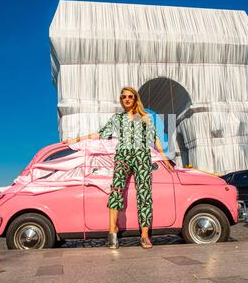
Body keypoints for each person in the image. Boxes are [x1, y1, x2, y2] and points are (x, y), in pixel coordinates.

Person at [63, 86, 173, 249]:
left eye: (130, 96)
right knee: (116, 191)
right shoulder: (117, 119)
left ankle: (144, 235)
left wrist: (165, 157)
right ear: (121, 100)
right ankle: (112, 231)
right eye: (123, 97)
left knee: (144, 194)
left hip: (142, 156)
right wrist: (76, 139)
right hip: (123, 156)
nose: (127, 99)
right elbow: (100, 134)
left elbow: (155, 139)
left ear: (135, 99)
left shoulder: (145, 118)